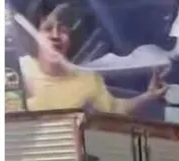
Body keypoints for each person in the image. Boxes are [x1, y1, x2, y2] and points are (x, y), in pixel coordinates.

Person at [19, 3, 167, 116]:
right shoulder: (17, 71)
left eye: (63, 30)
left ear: (71, 39)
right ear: (35, 36)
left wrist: (149, 96)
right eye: (47, 28)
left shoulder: (88, 78)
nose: (56, 35)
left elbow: (114, 109)